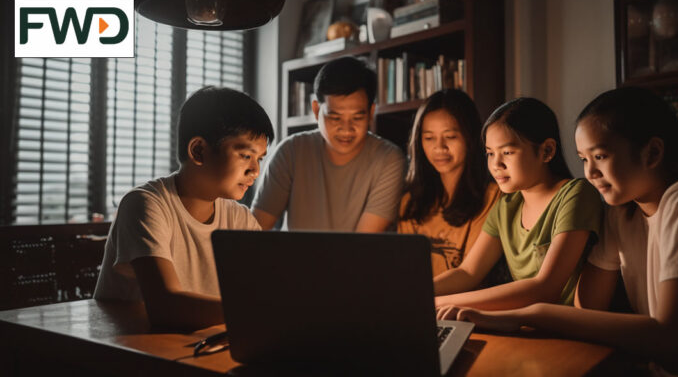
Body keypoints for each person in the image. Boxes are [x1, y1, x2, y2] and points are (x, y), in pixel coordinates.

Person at [438, 87, 678, 376]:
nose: (590, 172)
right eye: (583, 159)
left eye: (600, 156)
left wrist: (528, 315)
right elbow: (588, 310)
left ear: (652, 153)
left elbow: (675, 346)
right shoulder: (622, 216)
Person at [94, 86, 273, 330]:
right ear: (198, 150)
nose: (255, 170)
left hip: (195, 345)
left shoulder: (240, 218)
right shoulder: (145, 204)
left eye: (259, 158)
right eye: (245, 155)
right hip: (132, 353)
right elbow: (165, 306)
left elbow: (260, 292)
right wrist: (260, 311)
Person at [433, 98, 603, 309]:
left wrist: (435, 303)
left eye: (507, 152)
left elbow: (546, 288)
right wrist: (416, 292)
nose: (496, 164)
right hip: (524, 324)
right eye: (490, 153)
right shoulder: (506, 206)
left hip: (568, 329)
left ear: (547, 151)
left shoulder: (575, 194)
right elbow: (468, 272)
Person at [252, 56, 406, 232]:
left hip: (356, 259)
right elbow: (255, 230)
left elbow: (362, 244)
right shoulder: (291, 151)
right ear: (317, 110)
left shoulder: (388, 160)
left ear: (371, 112)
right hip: (292, 259)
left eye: (357, 117)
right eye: (335, 117)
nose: (346, 129)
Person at [398, 89, 500, 276]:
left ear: (470, 137)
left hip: (462, 303)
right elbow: (405, 269)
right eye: (429, 138)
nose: (439, 147)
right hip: (415, 300)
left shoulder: (492, 197)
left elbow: (470, 276)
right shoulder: (410, 203)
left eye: (450, 137)